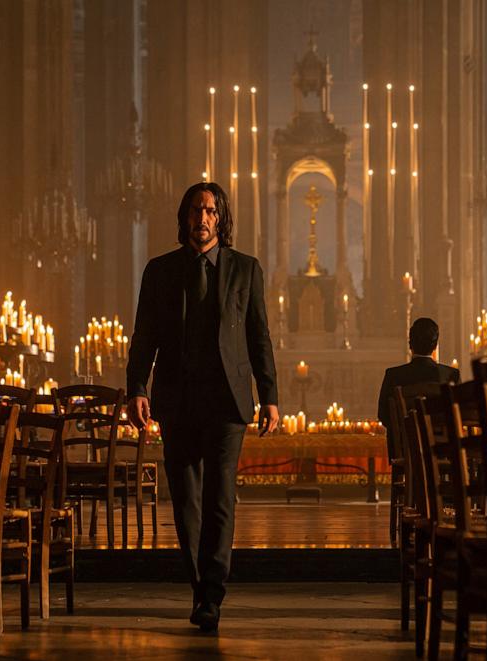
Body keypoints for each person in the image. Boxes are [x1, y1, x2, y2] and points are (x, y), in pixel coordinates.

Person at [126, 181, 279, 632]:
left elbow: (259, 336)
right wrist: (137, 388)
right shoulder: (160, 271)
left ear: (221, 218)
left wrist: (269, 394)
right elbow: (144, 336)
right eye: (196, 210)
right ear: (185, 217)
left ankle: (212, 594)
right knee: (186, 501)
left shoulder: (245, 270)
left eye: (211, 210)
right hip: (176, 400)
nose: (203, 218)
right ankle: (198, 584)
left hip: (228, 402)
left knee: (219, 500)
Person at [376, 317, 460, 458]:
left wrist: (405, 433)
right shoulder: (451, 375)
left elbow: (383, 415)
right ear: (435, 346)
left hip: (404, 450)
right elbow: (458, 414)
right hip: (443, 449)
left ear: (410, 344)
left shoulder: (393, 375)